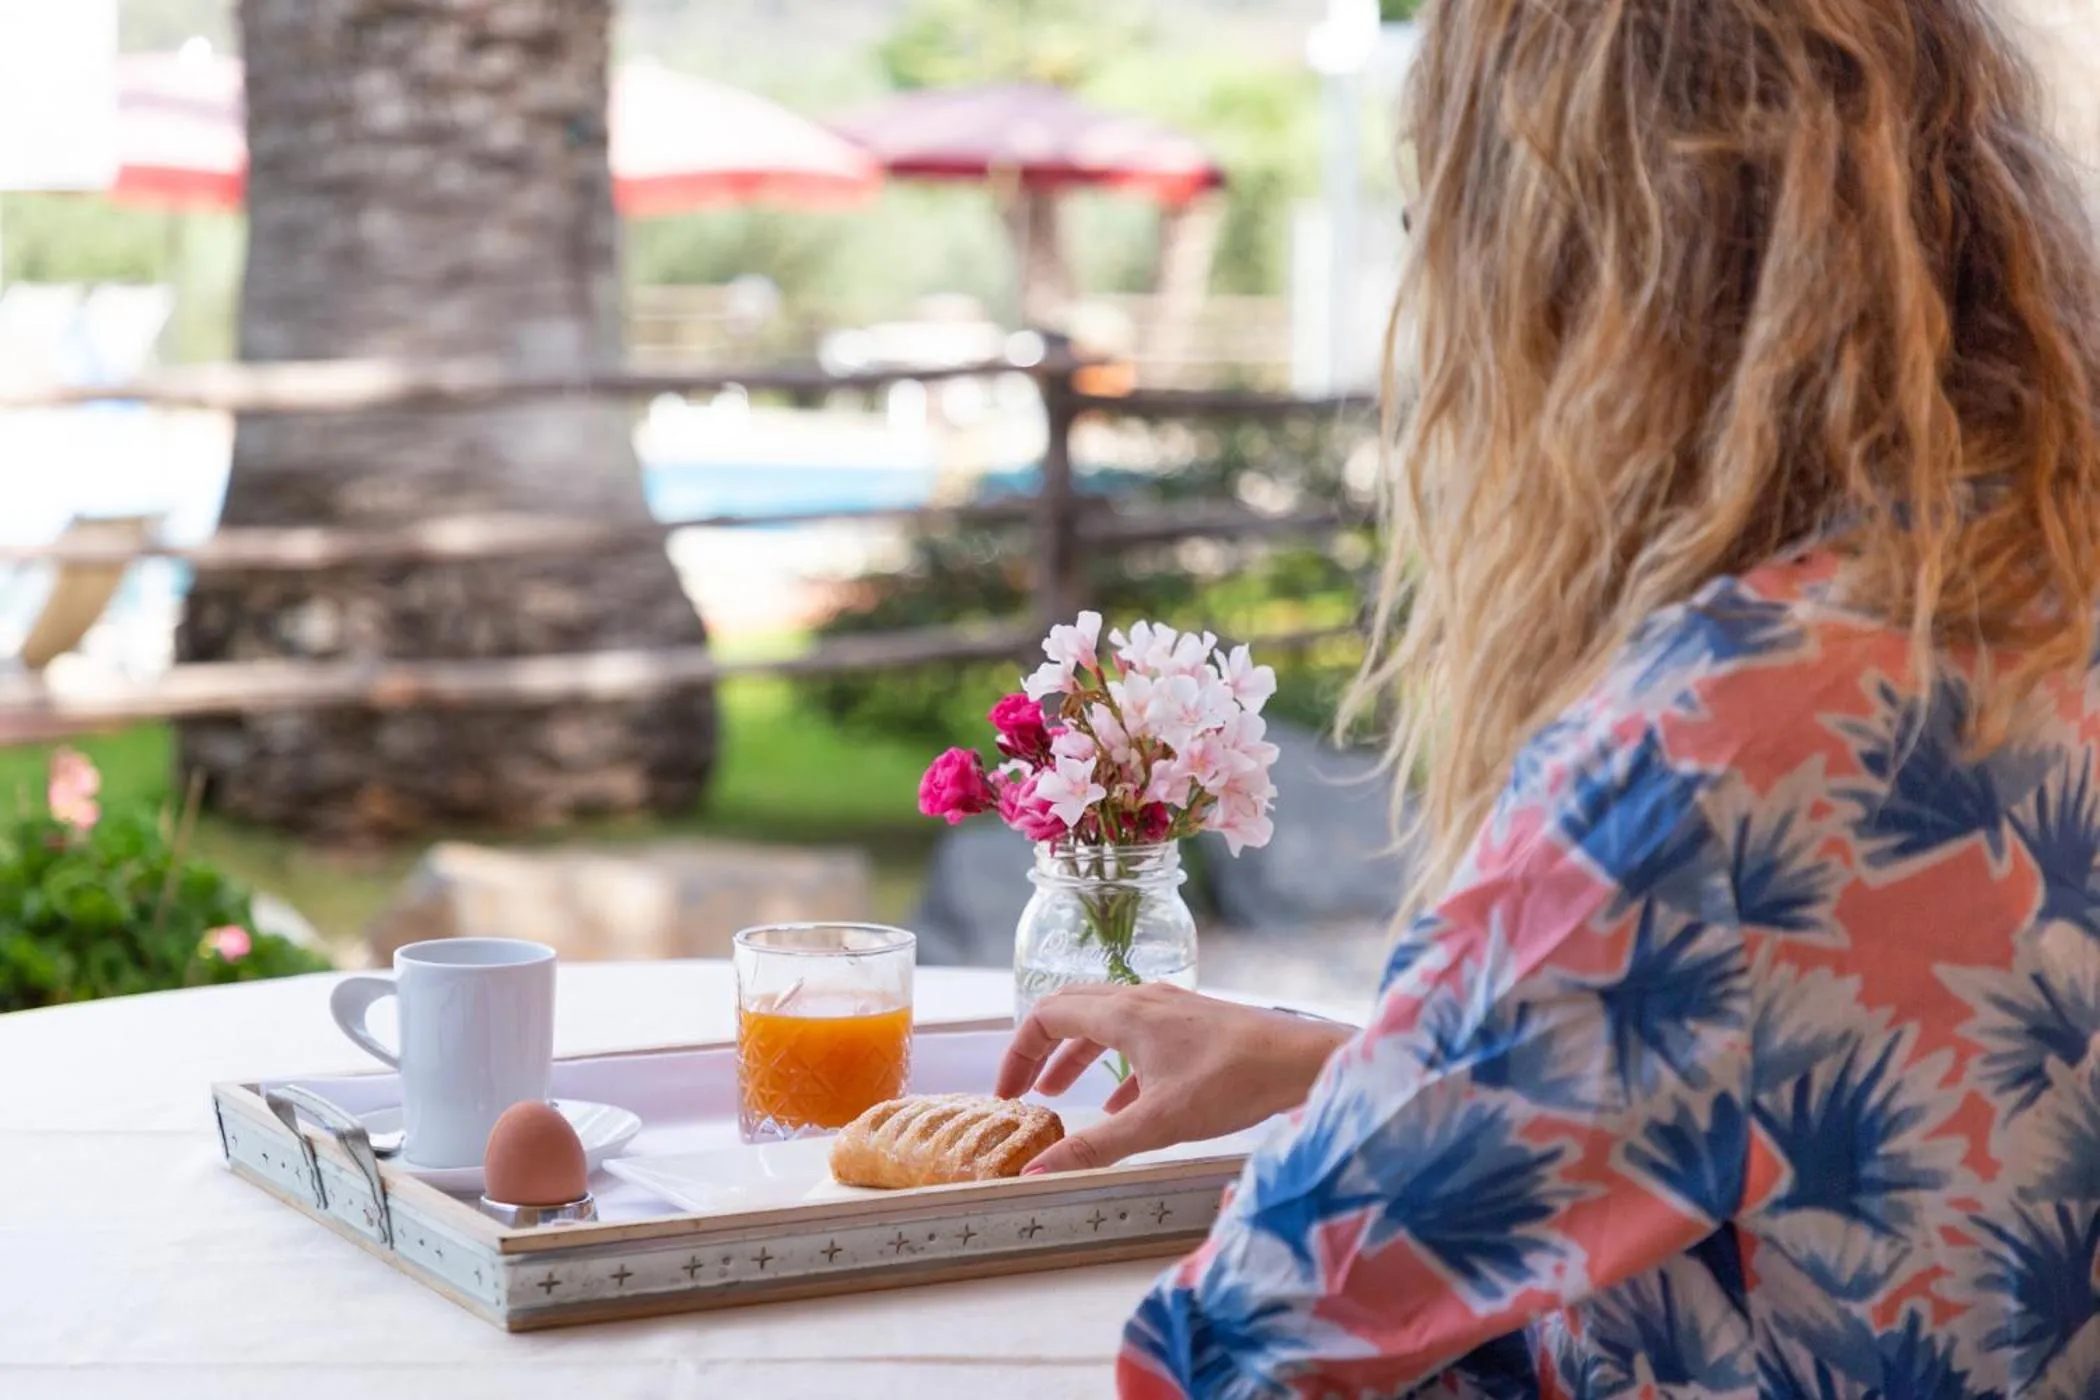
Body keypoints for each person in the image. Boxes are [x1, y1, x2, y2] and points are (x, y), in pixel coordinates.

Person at [996, 0, 2100, 1393]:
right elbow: (1885, 1080)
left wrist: (1372, 1118)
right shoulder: (2038, 590)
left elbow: (1239, 1349)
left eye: (1437, 220)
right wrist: (1351, 1067)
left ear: (1580, 264)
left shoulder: (1721, 740)